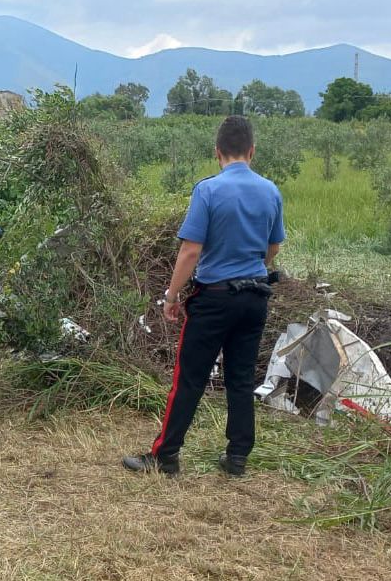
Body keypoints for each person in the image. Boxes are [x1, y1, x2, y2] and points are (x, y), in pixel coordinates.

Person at [122, 115, 284, 477]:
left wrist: (172, 296)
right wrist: (252, 265)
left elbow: (190, 251)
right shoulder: (271, 190)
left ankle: (165, 456)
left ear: (218, 152)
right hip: (255, 296)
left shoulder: (208, 190)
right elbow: (272, 246)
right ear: (252, 151)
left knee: (189, 379)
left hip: (214, 300)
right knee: (241, 379)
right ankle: (237, 457)